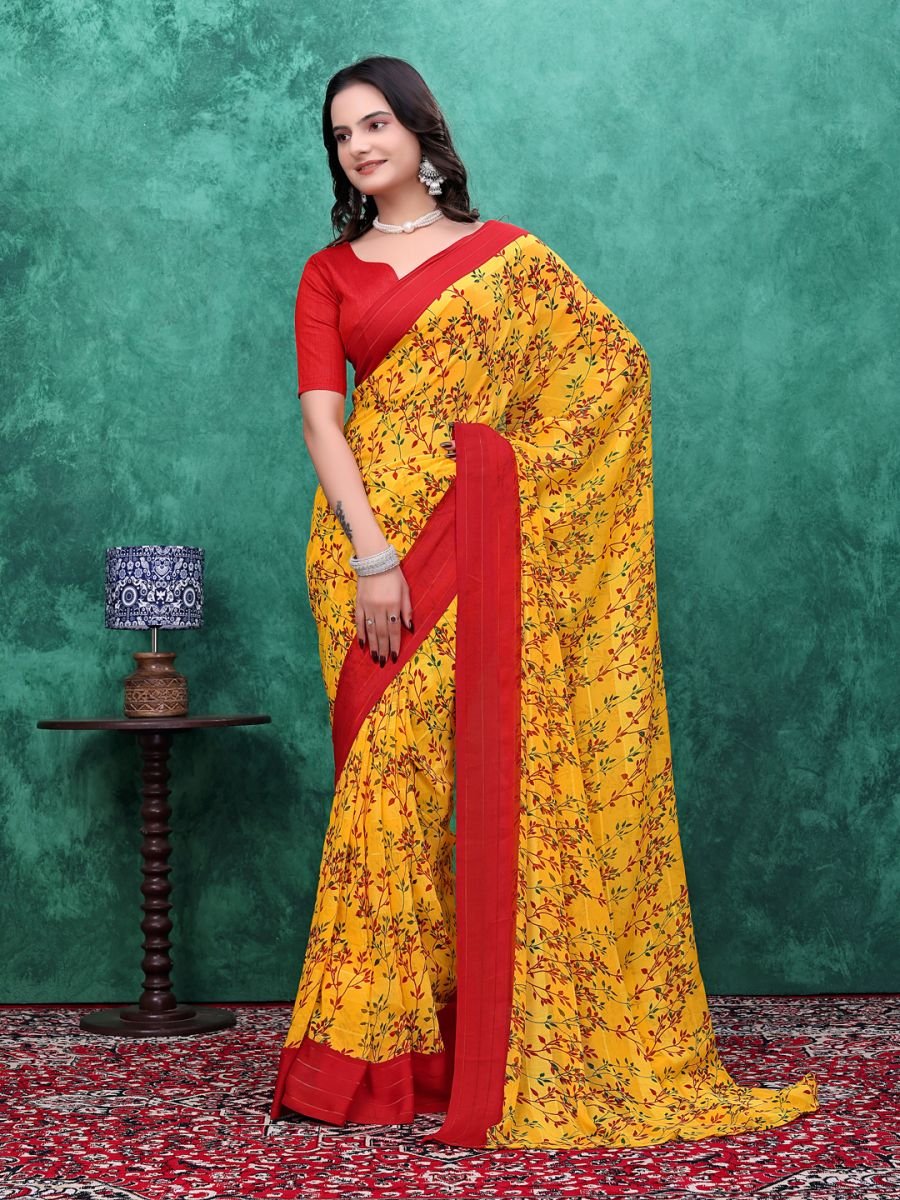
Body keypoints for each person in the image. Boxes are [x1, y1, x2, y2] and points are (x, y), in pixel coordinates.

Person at [269, 54, 819, 1150]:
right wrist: (373, 554)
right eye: (341, 135)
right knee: (384, 785)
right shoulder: (329, 273)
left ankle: (466, 1046)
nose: (360, 146)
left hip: (481, 540)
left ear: (421, 130)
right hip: (370, 546)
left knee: (469, 774)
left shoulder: (510, 261)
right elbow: (325, 420)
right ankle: (367, 1062)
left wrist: (503, 482)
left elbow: (615, 374)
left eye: (375, 123)